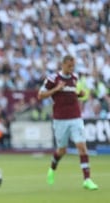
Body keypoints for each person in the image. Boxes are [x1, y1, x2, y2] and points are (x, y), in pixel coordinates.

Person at [38, 55, 98, 190]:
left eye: (73, 66)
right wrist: (56, 89)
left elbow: (71, 93)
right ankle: (52, 169)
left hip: (76, 117)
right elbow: (40, 95)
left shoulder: (74, 78)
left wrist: (79, 95)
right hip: (60, 120)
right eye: (70, 66)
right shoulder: (53, 79)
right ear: (63, 64)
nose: (72, 68)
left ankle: (87, 179)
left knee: (82, 147)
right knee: (62, 150)